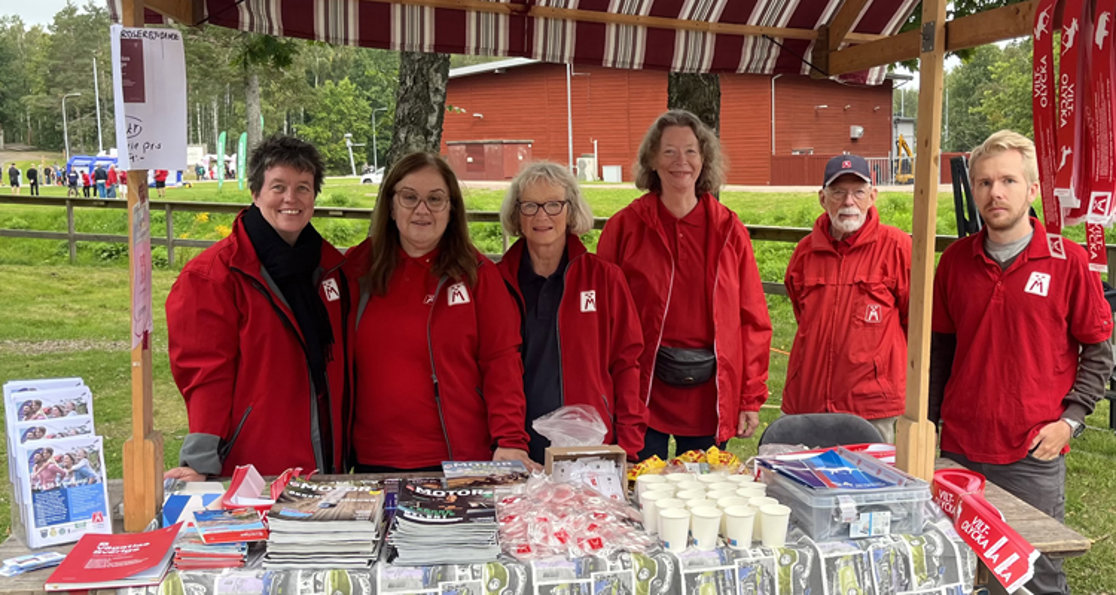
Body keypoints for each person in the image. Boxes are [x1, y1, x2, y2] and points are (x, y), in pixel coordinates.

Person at [929, 130, 1113, 594]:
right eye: (985, 182)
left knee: (1033, 576)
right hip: (960, 447)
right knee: (956, 567)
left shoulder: (1068, 262)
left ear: (1032, 190)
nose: (996, 192)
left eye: (1009, 180)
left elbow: (1099, 349)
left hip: (1030, 449)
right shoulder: (954, 262)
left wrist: (1070, 421)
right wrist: (931, 426)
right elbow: (939, 353)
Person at [165, 135, 349, 480]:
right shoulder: (213, 276)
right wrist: (200, 461)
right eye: (278, 187)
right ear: (255, 192)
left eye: (303, 188)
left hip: (325, 460)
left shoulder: (330, 268)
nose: (291, 199)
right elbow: (205, 374)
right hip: (253, 464)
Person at [597, 110, 772, 460]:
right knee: (641, 494)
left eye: (691, 151)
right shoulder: (625, 228)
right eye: (670, 152)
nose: (682, 162)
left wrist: (750, 397)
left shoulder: (728, 230)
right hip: (643, 390)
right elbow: (601, 317)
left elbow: (752, 319)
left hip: (711, 394)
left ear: (704, 159)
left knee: (705, 498)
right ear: (652, 160)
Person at [346, 152, 532, 472]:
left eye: (435, 199)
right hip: (373, 457)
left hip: (458, 458)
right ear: (390, 206)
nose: (422, 209)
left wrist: (510, 440)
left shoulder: (477, 274)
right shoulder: (356, 269)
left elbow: (501, 361)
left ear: (451, 209)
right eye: (409, 197)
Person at [496, 162, 648, 463]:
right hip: (518, 446)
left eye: (554, 204)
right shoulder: (498, 282)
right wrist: (503, 440)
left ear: (571, 210)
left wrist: (628, 445)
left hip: (592, 444)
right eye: (530, 206)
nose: (542, 216)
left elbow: (628, 364)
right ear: (516, 214)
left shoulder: (605, 278)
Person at [781, 155, 911, 443]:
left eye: (858, 192)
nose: (848, 201)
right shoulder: (804, 253)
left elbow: (916, 324)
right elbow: (803, 317)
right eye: (838, 192)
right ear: (822, 198)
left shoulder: (898, 248)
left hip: (873, 407)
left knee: (874, 485)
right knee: (804, 484)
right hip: (809, 401)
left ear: (872, 196)